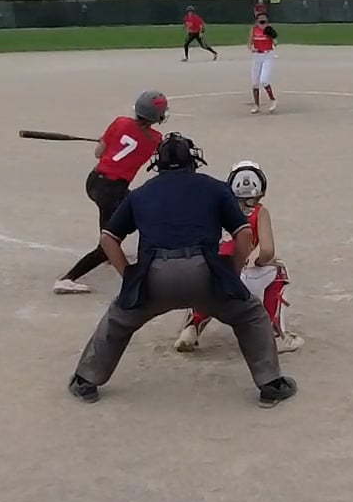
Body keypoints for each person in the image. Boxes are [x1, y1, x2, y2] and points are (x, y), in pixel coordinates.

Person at [68, 133, 297, 408]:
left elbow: (108, 239)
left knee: (118, 320)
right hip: (205, 274)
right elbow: (244, 234)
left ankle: (85, 381)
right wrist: (230, 275)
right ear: (193, 160)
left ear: (158, 163)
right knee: (250, 315)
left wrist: (130, 278)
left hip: (154, 277)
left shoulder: (141, 193)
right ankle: (271, 385)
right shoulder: (214, 188)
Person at [175, 159, 302, 354]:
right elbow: (267, 250)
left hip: (213, 274)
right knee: (279, 271)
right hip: (240, 275)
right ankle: (274, 335)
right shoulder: (259, 213)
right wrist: (260, 261)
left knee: (207, 277)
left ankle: (192, 326)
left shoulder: (218, 208)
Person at [54, 89, 169, 294]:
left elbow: (99, 153)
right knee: (114, 237)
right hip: (113, 191)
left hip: (94, 182)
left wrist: (105, 141)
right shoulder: (155, 139)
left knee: (121, 216)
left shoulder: (120, 123)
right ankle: (67, 279)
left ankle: (108, 252)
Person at [249, 11, 279, 114]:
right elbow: (249, 43)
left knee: (264, 80)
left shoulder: (269, 29)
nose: (262, 20)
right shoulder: (253, 29)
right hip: (257, 56)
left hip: (267, 56)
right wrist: (251, 48)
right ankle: (256, 105)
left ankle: (273, 100)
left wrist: (274, 40)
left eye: (264, 18)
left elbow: (275, 41)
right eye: (260, 18)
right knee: (255, 82)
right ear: (257, 20)